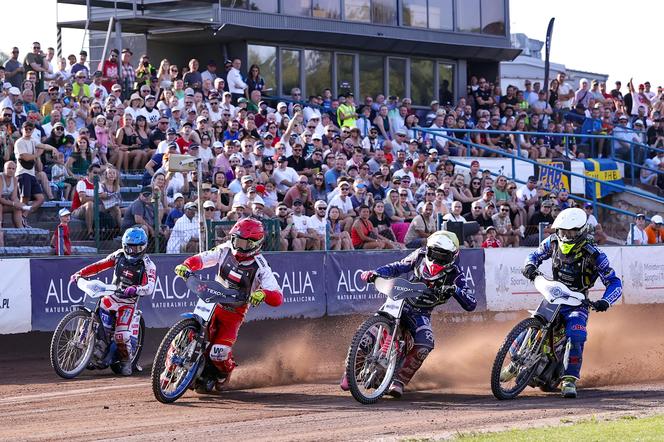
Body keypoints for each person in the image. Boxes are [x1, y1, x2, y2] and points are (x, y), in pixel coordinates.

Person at [340, 231, 476, 398]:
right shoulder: (420, 254)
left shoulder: (456, 274)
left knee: (425, 343)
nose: (436, 259)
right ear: (428, 249)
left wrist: (455, 290)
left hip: (421, 312)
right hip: (400, 299)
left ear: (453, 256)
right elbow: (399, 266)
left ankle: (399, 381)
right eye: (434, 253)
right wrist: (376, 273)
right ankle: (350, 370)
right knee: (369, 332)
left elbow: (471, 303)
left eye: (443, 256)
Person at [519, 208, 622, 398]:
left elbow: (614, 282)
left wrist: (605, 302)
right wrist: (529, 266)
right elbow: (534, 255)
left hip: (578, 301)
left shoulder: (595, 254)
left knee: (576, 333)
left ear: (581, 231)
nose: (566, 236)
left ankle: (569, 379)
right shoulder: (552, 241)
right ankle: (514, 360)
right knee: (533, 321)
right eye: (563, 231)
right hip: (554, 294)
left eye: (571, 232)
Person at [172, 218, 283, 392]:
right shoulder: (225, 250)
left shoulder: (261, 266)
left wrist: (263, 293)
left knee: (218, 351)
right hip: (211, 301)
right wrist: (186, 266)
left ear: (256, 243)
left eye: (243, 242)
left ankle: (225, 372)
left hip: (234, 312)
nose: (237, 245)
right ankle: (170, 365)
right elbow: (202, 259)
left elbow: (277, 296)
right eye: (235, 239)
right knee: (186, 333)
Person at [70, 228, 156, 375]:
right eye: (129, 247)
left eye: (137, 247)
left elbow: (150, 287)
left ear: (144, 247)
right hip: (111, 296)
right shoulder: (118, 255)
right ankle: (95, 347)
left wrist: (135, 289)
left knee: (121, 335)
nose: (133, 251)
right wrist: (81, 273)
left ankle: (126, 361)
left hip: (128, 303)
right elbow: (99, 265)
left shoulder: (148, 265)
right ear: (124, 245)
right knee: (96, 314)